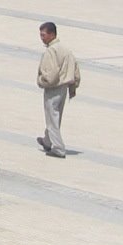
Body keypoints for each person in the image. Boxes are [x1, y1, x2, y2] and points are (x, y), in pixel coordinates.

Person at [36, 21, 80, 159]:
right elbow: (76, 69)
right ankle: (47, 140)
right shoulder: (65, 49)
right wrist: (74, 86)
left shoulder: (51, 51)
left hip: (54, 88)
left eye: (43, 35)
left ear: (52, 34)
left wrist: (41, 81)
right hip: (64, 88)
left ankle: (59, 148)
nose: (41, 38)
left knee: (52, 118)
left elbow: (51, 74)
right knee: (55, 116)